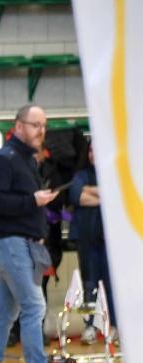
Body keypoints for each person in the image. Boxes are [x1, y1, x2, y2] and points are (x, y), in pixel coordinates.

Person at [0, 104, 75, 363]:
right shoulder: (3, 161)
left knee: (6, 313)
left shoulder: (25, 160)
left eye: (44, 125)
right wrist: (32, 202)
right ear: (18, 126)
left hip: (23, 243)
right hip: (10, 243)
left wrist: (38, 206)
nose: (41, 131)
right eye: (35, 125)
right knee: (34, 306)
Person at [68, 140, 115, 343]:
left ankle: (113, 325)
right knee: (89, 283)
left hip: (108, 239)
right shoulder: (80, 175)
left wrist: (92, 192)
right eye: (90, 150)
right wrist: (104, 195)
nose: (93, 154)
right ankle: (89, 326)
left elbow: (116, 195)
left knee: (111, 282)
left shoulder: (114, 173)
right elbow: (78, 196)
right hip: (86, 238)